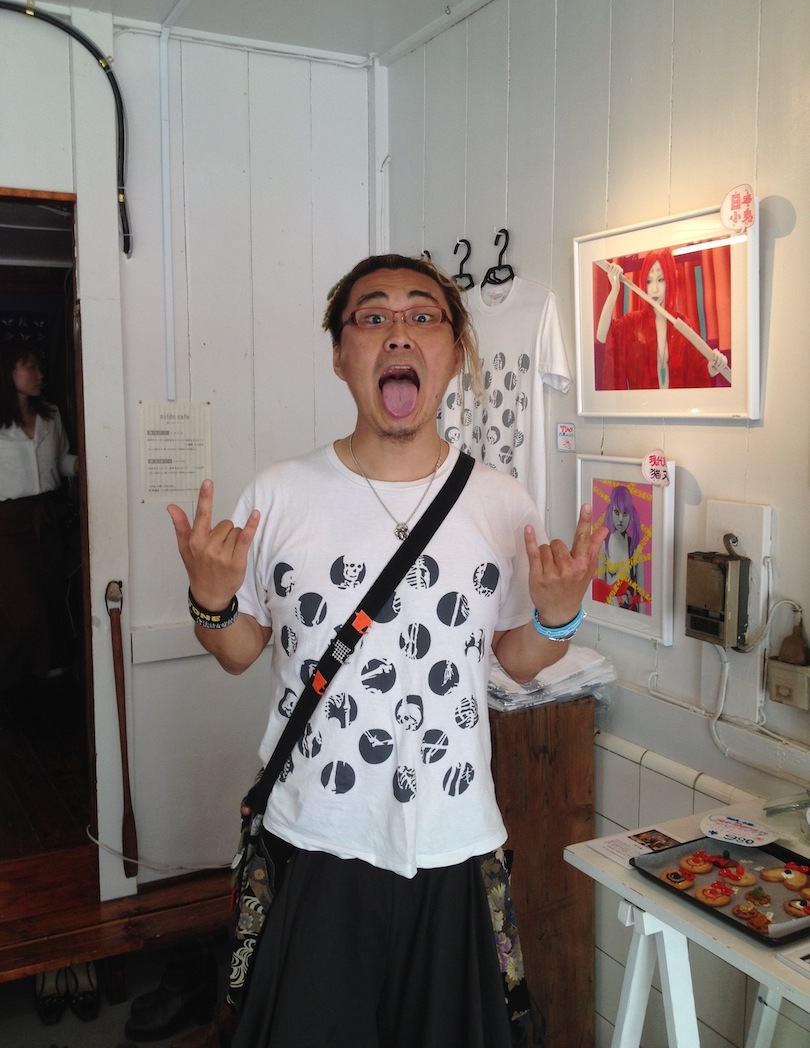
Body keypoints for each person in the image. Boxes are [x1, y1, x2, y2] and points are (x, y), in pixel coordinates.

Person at [168, 254, 606, 1048]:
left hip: (455, 838)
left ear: (455, 352)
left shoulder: (502, 502)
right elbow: (237, 651)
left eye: (423, 316)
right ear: (341, 355)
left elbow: (516, 660)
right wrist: (211, 598)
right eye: (373, 317)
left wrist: (557, 619)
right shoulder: (279, 496)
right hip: (315, 836)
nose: (399, 332)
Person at [0, 339, 78, 684]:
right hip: (8, 523)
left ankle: (49, 669)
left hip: (47, 517)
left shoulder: (51, 415)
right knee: (22, 606)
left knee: (51, 593)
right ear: (8, 372)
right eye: (30, 366)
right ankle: (13, 675)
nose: (39, 374)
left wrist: (84, 465)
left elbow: (60, 462)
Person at [596, 248, 728, 390]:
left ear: (669, 280)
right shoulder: (633, 323)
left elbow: (696, 371)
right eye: (649, 281)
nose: (654, 289)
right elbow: (603, 336)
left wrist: (711, 369)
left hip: (677, 403)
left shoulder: (683, 325)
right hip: (643, 403)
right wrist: (614, 290)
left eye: (660, 280)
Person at [593, 483, 643, 611]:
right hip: (609, 613)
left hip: (630, 613)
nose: (620, 519)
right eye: (616, 512)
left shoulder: (636, 549)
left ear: (631, 515)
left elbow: (641, 595)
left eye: (625, 513)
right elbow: (600, 589)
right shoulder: (604, 545)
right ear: (610, 512)